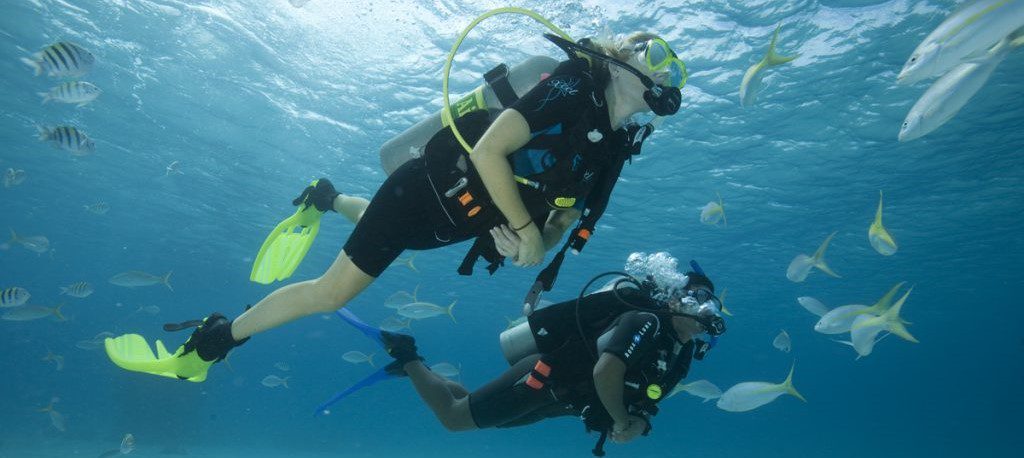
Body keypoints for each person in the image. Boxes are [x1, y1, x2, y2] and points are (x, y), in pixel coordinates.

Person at [104, 31, 690, 382]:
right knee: (332, 292)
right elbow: (488, 150)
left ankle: (328, 197)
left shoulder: (612, 148)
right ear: (624, 57)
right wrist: (524, 228)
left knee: (386, 239)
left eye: (678, 70)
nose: (668, 71)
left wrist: (531, 243)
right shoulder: (570, 84)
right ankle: (213, 340)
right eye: (659, 54)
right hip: (429, 189)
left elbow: (562, 218)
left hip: (456, 221)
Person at [375, 268, 725, 456]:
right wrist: (620, 421)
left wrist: (640, 424)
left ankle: (423, 375)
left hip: (564, 401)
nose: (706, 306)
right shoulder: (646, 321)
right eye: (697, 295)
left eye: (712, 301)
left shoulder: (681, 354)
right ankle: (407, 356)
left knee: (483, 416)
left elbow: (647, 397)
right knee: (455, 419)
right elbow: (606, 371)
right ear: (673, 299)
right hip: (543, 379)